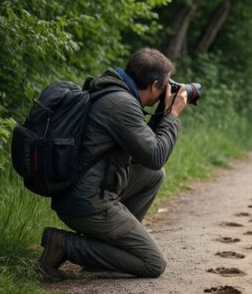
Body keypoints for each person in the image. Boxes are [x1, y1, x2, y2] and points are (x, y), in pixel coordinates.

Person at [37, 48, 188, 280]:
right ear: (154, 86)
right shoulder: (121, 104)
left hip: (83, 190)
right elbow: (156, 155)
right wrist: (172, 116)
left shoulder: (113, 90)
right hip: (87, 202)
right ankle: (64, 245)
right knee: (153, 263)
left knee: (153, 174)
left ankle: (106, 249)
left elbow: (145, 156)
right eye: (165, 85)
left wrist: (162, 113)